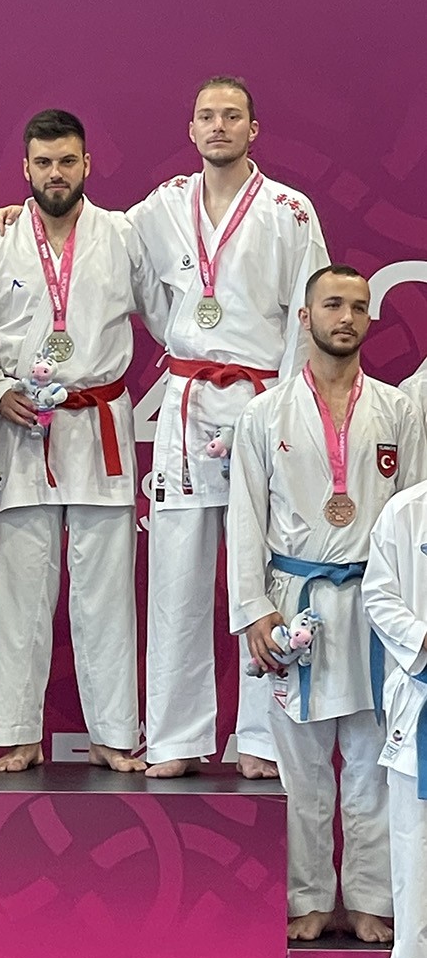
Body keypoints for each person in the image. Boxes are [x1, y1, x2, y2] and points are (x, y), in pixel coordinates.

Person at [127, 77, 330, 777]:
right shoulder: (162, 206)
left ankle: (263, 740)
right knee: (176, 573)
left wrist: (284, 405)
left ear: (253, 129)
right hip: (187, 402)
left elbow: (310, 313)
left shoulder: (288, 211)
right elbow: (109, 253)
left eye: (232, 115)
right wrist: (22, 209)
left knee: (265, 573)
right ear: (191, 130)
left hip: (262, 402)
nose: (219, 126)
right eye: (207, 116)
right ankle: (176, 739)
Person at [228, 265, 426, 942]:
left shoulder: (398, 411)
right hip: (296, 604)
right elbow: (245, 517)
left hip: (377, 607)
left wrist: (415, 613)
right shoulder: (264, 413)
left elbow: (417, 518)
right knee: (300, 769)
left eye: (359, 307)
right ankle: (306, 897)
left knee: (373, 764)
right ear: (304, 317)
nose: (347, 317)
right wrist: (254, 609)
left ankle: (371, 898)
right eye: (333, 304)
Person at [0, 109, 167, 773]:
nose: (56, 173)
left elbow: (170, 318)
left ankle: (113, 732)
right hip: (23, 427)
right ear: (25, 169)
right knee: (21, 591)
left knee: (106, 592)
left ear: (87, 165)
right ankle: (17, 733)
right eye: (44, 163)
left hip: (98, 422)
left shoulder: (122, 235)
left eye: (67, 161)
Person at [362, 471, 427, 958]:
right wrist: (425, 640)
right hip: (421, 698)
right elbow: (379, 596)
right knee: (414, 858)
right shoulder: (406, 511)